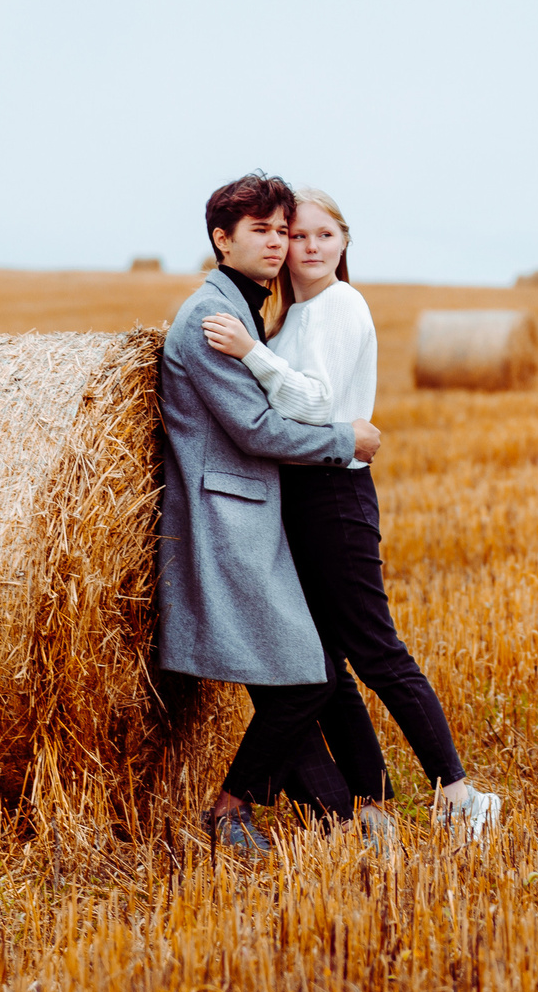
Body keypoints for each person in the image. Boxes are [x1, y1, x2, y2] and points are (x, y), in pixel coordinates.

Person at [201, 185, 504, 842]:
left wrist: (249, 353)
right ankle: (370, 805)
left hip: (335, 496)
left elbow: (311, 404)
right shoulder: (291, 317)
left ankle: (460, 793)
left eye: (322, 235)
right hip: (304, 496)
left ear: (343, 244)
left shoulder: (339, 305)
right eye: (294, 235)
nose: (305, 246)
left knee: (375, 649)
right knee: (326, 665)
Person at [152, 172, 381, 853]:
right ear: (222, 239)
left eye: (285, 229)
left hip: (255, 513)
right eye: (263, 229)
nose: (280, 242)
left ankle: (339, 813)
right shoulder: (209, 316)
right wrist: (346, 440)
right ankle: (228, 810)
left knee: (297, 673)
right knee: (305, 671)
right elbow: (254, 427)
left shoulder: (246, 308)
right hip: (230, 520)